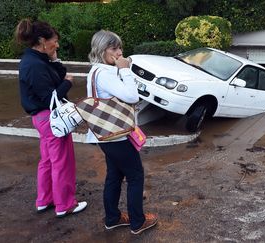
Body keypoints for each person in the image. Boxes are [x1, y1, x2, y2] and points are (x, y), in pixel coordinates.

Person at [86, 30, 158, 234]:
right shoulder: (107, 73)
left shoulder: (95, 71)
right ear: (102, 50)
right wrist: (125, 70)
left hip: (106, 133)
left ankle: (113, 218)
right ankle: (137, 222)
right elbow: (132, 96)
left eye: (120, 47)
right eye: (114, 48)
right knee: (135, 175)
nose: (119, 52)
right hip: (116, 134)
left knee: (114, 176)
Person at [15, 19, 87, 217]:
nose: (56, 44)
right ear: (42, 40)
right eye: (54, 41)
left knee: (47, 160)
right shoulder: (35, 65)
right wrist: (67, 84)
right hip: (51, 118)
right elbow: (49, 98)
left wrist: (55, 60)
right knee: (62, 162)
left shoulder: (36, 60)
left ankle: (44, 199)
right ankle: (65, 205)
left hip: (42, 119)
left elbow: (57, 74)